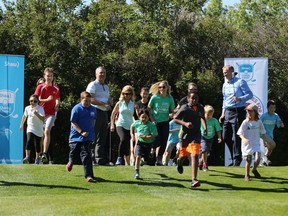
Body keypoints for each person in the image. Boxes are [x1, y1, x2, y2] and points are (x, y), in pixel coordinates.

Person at [219, 65, 253, 166]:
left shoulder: (240, 82)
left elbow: (250, 94)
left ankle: (237, 160)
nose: (224, 74)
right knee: (225, 136)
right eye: (223, 72)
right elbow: (224, 100)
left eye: (226, 72)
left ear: (231, 72)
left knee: (236, 136)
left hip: (238, 111)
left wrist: (240, 98)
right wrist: (222, 113)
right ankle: (234, 156)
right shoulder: (225, 84)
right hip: (228, 112)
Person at [174, 91, 207, 188]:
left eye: (196, 98)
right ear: (188, 98)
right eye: (192, 98)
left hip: (196, 135)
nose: (194, 100)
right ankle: (179, 162)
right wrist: (185, 124)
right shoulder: (184, 108)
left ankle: (194, 179)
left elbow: (202, 118)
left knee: (195, 155)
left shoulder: (200, 107)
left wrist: (205, 128)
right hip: (185, 135)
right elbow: (175, 119)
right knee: (183, 155)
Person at [66, 91, 97, 183]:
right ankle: (71, 162)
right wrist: (81, 131)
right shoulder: (76, 109)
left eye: (89, 101)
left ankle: (89, 176)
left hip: (87, 137)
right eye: (85, 101)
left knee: (86, 155)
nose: (87, 103)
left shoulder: (93, 109)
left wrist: (91, 132)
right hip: (75, 136)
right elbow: (73, 122)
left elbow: (93, 121)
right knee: (74, 152)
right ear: (81, 99)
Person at [86, 66, 112, 165]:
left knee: (102, 136)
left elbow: (107, 98)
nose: (102, 74)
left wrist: (109, 102)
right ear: (96, 74)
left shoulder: (106, 86)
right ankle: (91, 158)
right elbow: (90, 99)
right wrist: (103, 104)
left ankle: (99, 159)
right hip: (94, 111)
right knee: (93, 134)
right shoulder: (93, 85)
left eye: (104, 73)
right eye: (100, 73)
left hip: (104, 112)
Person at [34, 67, 60, 164]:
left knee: (47, 131)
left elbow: (57, 98)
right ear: (44, 76)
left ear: (53, 77)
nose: (49, 78)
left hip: (51, 113)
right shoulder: (40, 87)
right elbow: (35, 100)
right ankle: (39, 156)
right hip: (40, 113)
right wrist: (47, 100)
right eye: (47, 76)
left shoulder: (56, 88)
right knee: (40, 135)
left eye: (51, 76)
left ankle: (45, 154)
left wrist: (57, 104)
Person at [237, 103, 268, 181]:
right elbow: (240, 133)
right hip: (247, 145)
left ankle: (254, 169)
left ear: (255, 112)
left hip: (256, 144)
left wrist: (265, 141)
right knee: (249, 160)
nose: (249, 113)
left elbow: (263, 132)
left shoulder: (259, 122)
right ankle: (247, 175)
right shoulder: (245, 122)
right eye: (248, 111)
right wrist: (244, 139)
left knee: (258, 159)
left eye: (250, 111)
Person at [148, 80, 175, 165]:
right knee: (157, 140)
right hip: (156, 122)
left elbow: (172, 111)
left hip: (165, 122)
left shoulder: (170, 98)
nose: (161, 89)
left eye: (163, 87)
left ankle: (159, 159)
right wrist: (152, 119)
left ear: (167, 88)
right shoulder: (155, 97)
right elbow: (148, 109)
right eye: (160, 87)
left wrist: (172, 114)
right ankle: (152, 150)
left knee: (164, 142)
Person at [110, 85, 135, 165]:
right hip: (120, 124)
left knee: (127, 144)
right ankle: (119, 158)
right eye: (125, 93)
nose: (127, 95)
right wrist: (112, 124)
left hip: (130, 126)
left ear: (131, 94)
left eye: (129, 94)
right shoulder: (119, 103)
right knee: (123, 139)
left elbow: (136, 115)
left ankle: (127, 161)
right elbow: (113, 114)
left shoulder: (133, 104)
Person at [130, 109, 158, 179]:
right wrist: (132, 134)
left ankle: (143, 162)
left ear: (148, 117)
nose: (144, 119)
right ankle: (137, 172)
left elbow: (155, 135)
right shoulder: (137, 123)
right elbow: (132, 126)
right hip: (140, 142)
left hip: (148, 143)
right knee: (138, 156)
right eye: (142, 117)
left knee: (146, 159)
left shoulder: (151, 125)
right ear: (139, 117)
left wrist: (147, 137)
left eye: (145, 117)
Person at [20, 94, 45, 164]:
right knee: (29, 140)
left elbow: (43, 119)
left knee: (37, 145)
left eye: (35, 101)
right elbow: (24, 117)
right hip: (30, 128)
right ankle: (27, 157)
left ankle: (37, 158)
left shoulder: (40, 109)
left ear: (37, 102)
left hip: (39, 129)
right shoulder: (27, 108)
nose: (32, 102)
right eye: (31, 101)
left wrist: (37, 114)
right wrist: (21, 124)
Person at [260, 100, 284, 165]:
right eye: (271, 107)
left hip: (270, 135)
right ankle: (265, 157)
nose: (273, 109)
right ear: (267, 108)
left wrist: (281, 124)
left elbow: (280, 125)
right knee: (273, 144)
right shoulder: (264, 115)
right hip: (263, 134)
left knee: (270, 149)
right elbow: (259, 123)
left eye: (274, 108)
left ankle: (264, 160)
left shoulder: (276, 115)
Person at [199, 105, 222, 171]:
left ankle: (200, 161)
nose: (209, 116)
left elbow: (218, 129)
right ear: (204, 113)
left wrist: (219, 137)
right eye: (208, 115)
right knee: (204, 149)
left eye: (211, 115)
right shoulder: (201, 120)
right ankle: (205, 164)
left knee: (206, 151)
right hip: (202, 137)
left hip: (210, 138)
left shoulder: (214, 121)